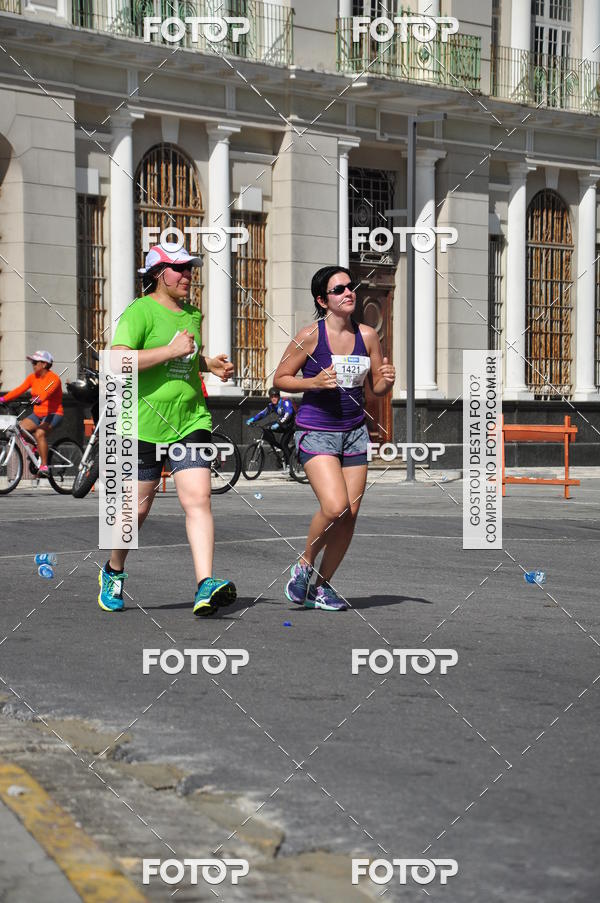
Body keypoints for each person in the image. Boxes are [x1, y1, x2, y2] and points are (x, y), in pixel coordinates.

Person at [97, 243, 236, 616]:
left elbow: (185, 357)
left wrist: (209, 364)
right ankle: (113, 570)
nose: (188, 275)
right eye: (179, 269)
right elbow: (115, 360)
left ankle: (204, 584)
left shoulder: (193, 313)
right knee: (134, 513)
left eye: (190, 268)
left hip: (190, 420)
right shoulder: (140, 311)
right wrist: (171, 352)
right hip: (142, 423)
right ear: (158, 274)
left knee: (198, 500)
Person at [273, 266, 395, 611]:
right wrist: (313, 382)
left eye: (350, 287)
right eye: (339, 288)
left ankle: (322, 587)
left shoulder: (368, 335)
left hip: (355, 431)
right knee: (335, 506)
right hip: (317, 430)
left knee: (351, 513)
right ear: (322, 300)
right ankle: (305, 564)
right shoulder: (311, 335)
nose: (348, 292)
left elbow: (377, 389)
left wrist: (387, 377)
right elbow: (281, 377)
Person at [0, 350, 63, 477]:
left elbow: (47, 392)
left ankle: (44, 465)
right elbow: (19, 389)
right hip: (37, 414)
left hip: (53, 413)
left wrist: (38, 399)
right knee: (20, 428)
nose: (33, 365)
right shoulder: (32, 377)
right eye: (32, 362)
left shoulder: (54, 378)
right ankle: (37, 447)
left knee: (40, 433)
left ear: (44, 364)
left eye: (35, 362)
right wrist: (3, 399)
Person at [246, 387, 295, 460]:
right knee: (266, 427)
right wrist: (253, 419)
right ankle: (275, 445)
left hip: (290, 426)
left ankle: (289, 464)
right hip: (282, 424)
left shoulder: (285, 402)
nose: (273, 398)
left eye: (275, 396)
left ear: (278, 396)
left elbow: (288, 414)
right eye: (272, 397)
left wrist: (278, 424)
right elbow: (262, 414)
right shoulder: (271, 406)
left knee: (284, 444)